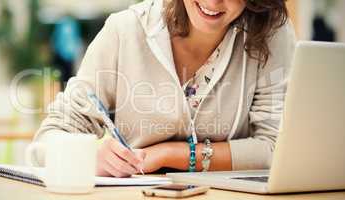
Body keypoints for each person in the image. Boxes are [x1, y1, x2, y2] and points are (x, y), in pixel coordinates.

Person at [30, 0, 296, 177]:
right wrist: (90, 156)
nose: (213, 2)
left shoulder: (271, 33)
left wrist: (170, 154)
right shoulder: (125, 31)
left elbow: (274, 149)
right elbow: (46, 141)